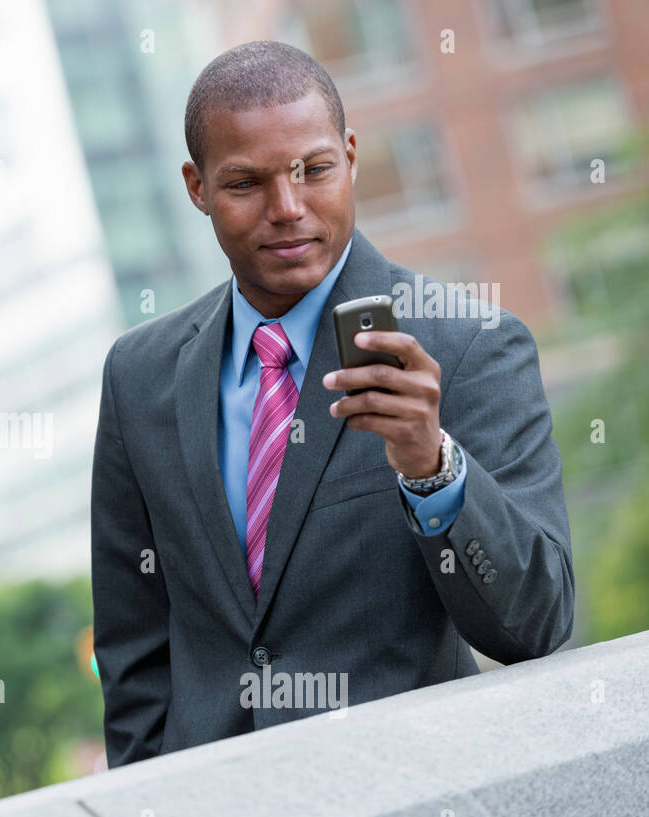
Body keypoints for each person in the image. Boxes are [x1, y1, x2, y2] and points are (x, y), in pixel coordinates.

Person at [90, 40, 574, 768]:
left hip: (404, 801)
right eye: (246, 183)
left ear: (349, 156)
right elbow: (134, 646)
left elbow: (536, 622)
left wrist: (431, 467)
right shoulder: (140, 376)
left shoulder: (471, 343)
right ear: (196, 188)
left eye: (312, 170)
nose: (287, 209)